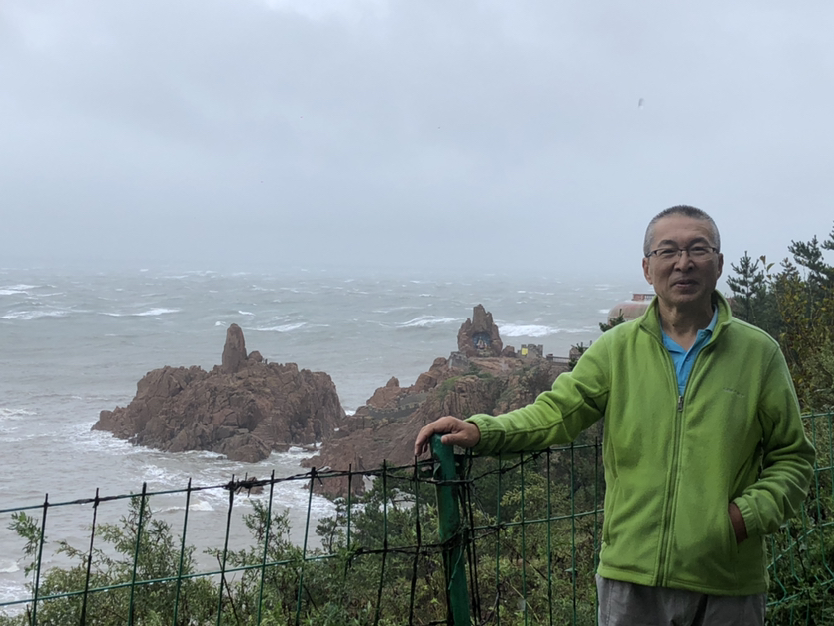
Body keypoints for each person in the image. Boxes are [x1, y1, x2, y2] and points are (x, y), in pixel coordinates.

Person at [414, 206, 815, 626]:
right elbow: (555, 414)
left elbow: (793, 458)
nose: (683, 262)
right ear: (647, 268)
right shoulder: (616, 350)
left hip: (728, 582)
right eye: (668, 251)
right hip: (630, 576)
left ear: (718, 264)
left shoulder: (759, 354)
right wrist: (481, 430)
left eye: (698, 249)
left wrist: (742, 519)